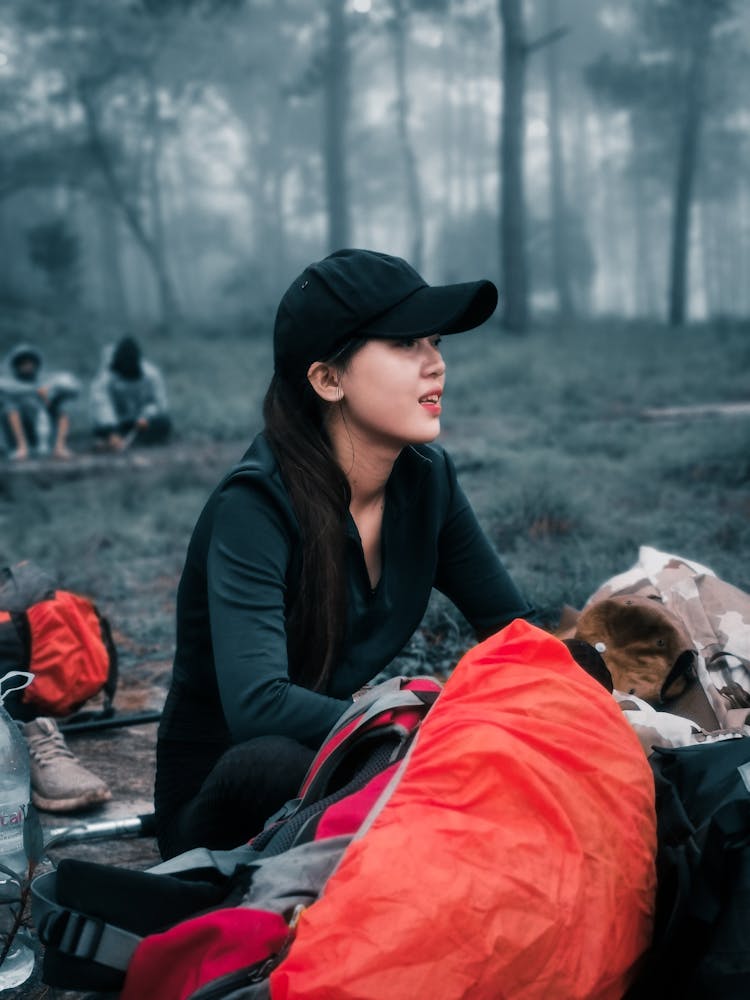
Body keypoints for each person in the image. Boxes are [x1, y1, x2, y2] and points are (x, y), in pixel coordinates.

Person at [154, 248, 535, 860]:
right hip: (229, 794)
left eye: (435, 342)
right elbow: (259, 704)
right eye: (406, 344)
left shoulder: (428, 481)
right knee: (281, 761)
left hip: (349, 762)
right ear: (328, 379)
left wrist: (586, 677)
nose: (436, 364)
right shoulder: (254, 506)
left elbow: (515, 628)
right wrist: (423, 721)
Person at [89, 336, 171, 451]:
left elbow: (160, 403)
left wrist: (148, 415)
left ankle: (133, 441)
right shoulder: (105, 378)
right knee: (101, 430)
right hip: (117, 421)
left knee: (163, 423)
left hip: (141, 421)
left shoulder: (152, 375)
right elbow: (102, 404)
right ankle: (114, 440)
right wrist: (111, 430)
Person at [0, 344, 80, 460]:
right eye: (23, 363)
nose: (27, 366)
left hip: (44, 424)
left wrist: (50, 391)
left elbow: (72, 386)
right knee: (10, 406)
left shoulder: (46, 379)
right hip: (18, 430)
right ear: (16, 366)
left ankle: (59, 447)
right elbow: (5, 387)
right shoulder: (8, 382)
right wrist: (35, 391)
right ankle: (22, 447)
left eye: (30, 363)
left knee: (63, 406)